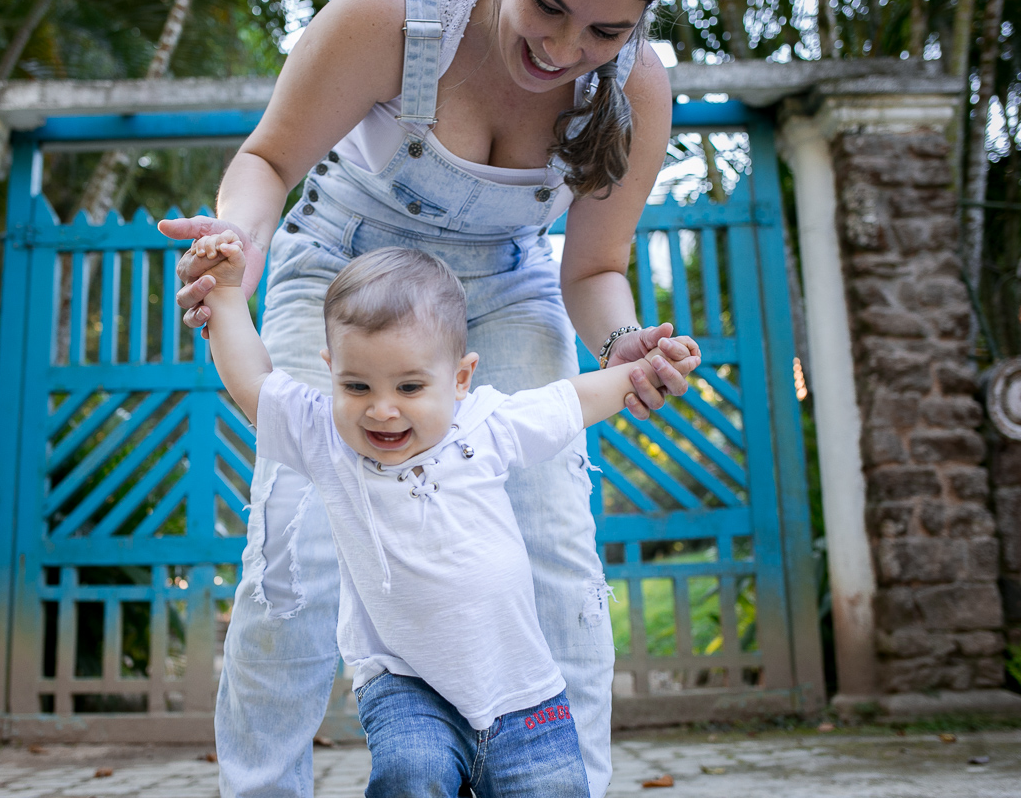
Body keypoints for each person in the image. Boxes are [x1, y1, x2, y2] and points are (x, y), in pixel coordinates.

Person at [157, 0, 697, 794]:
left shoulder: (635, 90)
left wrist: (626, 348)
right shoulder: (391, 19)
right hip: (350, 276)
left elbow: (593, 269)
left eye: (604, 31)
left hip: (507, 289)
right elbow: (269, 160)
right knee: (296, 558)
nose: (563, 45)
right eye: (549, 7)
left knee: (556, 548)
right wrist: (235, 238)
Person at [192, 238, 699, 797]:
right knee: (414, 775)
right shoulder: (323, 440)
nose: (382, 408)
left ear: (460, 379)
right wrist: (230, 293)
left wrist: (648, 369)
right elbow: (252, 382)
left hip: (523, 696)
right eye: (356, 386)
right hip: (406, 686)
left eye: (410, 387)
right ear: (330, 370)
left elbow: (574, 400)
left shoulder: (486, 426)